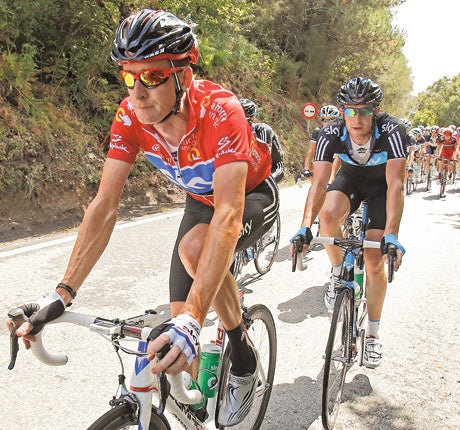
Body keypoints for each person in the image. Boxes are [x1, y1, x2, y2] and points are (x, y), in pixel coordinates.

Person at [6, 9, 279, 426]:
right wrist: (62, 293)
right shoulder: (130, 115)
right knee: (171, 346)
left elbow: (227, 213)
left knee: (193, 261)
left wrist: (192, 316)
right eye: (128, 77)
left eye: (151, 77)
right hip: (198, 202)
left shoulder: (221, 110)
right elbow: (104, 205)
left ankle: (242, 354)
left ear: (183, 75)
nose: (137, 92)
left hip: (249, 194)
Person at [290, 77, 407, 368]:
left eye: (364, 111)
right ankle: (338, 270)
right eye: (351, 110)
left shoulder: (393, 130)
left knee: (373, 260)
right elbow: (318, 184)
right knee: (328, 217)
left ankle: (373, 335)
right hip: (351, 179)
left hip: (381, 187)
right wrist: (305, 226)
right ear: (342, 111)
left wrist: (391, 235)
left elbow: (396, 185)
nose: (357, 118)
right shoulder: (331, 132)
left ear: (376, 111)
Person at [239, 98, 285, 183]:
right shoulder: (236, 132)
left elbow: (264, 159)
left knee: (262, 184)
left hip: (273, 167)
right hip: (252, 167)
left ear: (253, 118)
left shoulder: (262, 130)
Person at [299, 104, 341, 181]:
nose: (327, 123)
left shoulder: (341, 130)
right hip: (322, 162)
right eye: (324, 120)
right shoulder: (318, 131)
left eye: (331, 119)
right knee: (315, 186)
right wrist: (306, 168)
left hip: (339, 164)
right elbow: (311, 150)